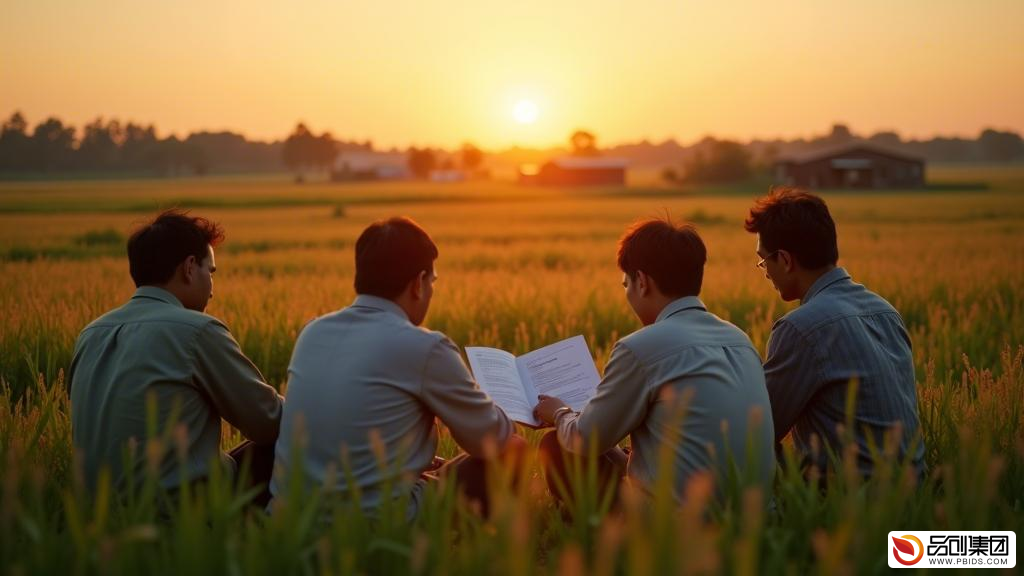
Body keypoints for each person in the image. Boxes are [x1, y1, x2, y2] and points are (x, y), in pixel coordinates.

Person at [268, 216, 523, 519]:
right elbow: (492, 440)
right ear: (418, 283)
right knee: (513, 451)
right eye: (432, 282)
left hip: (290, 524)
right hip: (376, 525)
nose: (430, 291)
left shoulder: (312, 332)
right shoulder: (426, 348)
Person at [534, 218, 774, 507]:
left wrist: (559, 412)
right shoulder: (740, 339)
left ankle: (600, 544)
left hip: (675, 525)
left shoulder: (640, 348)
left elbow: (585, 440)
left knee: (558, 447)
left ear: (643, 282)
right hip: (756, 518)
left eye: (626, 284)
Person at [68, 209, 283, 503]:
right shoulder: (196, 330)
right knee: (291, 438)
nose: (212, 289)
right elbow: (268, 421)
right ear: (190, 267)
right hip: (179, 514)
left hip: (98, 512)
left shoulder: (90, 333)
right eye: (211, 271)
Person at [744, 187, 924, 478]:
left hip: (848, 501)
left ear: (786, 261)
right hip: (915, 493)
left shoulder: (800, 328)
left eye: (764, 261)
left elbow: (760, 429)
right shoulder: (885, 311)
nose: (765, 272)